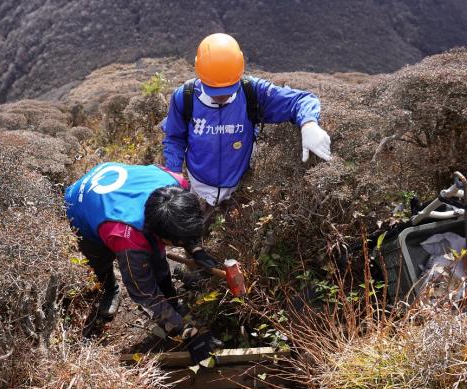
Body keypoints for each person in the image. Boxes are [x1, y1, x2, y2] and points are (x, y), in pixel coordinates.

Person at [162, 33, 332, 215]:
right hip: (198, 186)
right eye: (214, 90)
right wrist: (174, 176)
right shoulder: (185, 97)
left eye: (228, 89)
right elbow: (174, 138)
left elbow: (300, 100)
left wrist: (308, 124)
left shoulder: (252, 92)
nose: (221, 96)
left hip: (241, 188)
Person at [64, 162, 220, 351]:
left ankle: (170, 299)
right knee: (100, 258)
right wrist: (186, 331)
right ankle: (110, 289)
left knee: (156, 257)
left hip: (116, 182)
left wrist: (196, 250)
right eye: (175, 242)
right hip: (80, 204)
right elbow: (142, 291)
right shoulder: (126, 236)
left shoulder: (177, 184)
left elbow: (184, 223)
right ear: (158, 234)